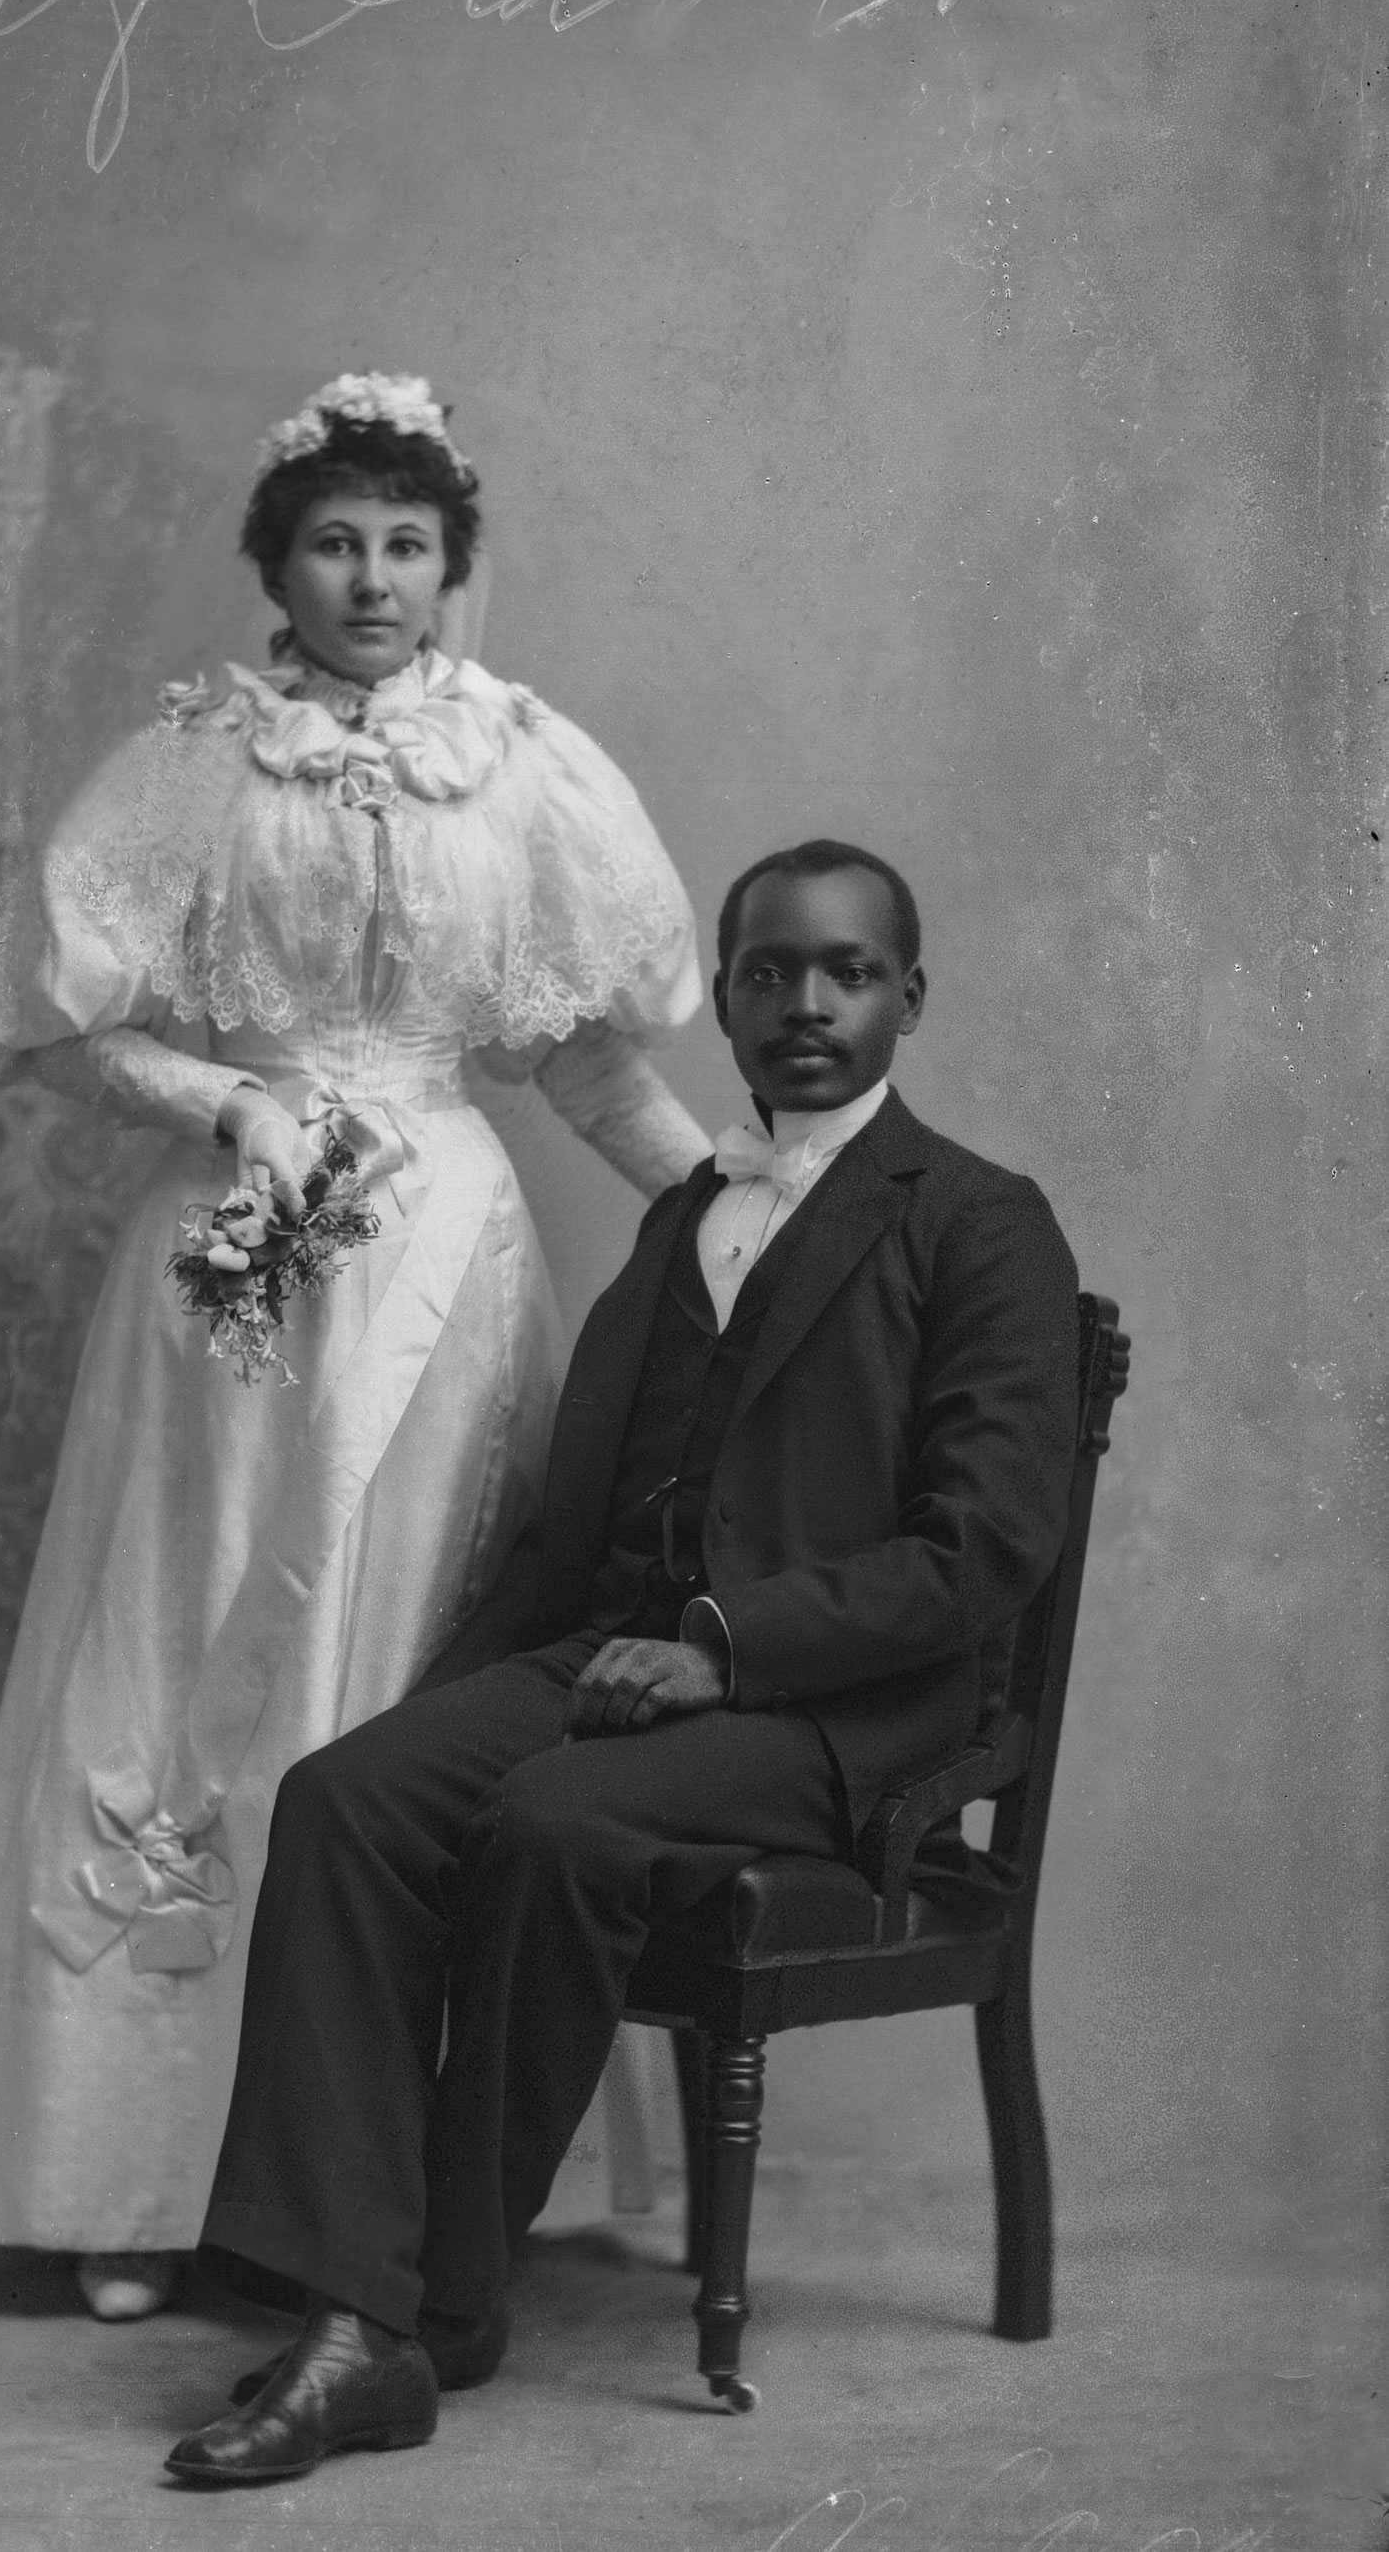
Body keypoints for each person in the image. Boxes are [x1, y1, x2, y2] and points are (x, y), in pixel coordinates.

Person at [0, 374, 712, 2319]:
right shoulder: (194, 761)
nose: (372, 577)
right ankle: (131, 2177)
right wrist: (231, 1106)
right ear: (277, 563)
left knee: (405, 1681)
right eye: (335, 541)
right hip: (228, 1296)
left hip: (441, 1264)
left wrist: (738, 1207)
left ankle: (381, 2183)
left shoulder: (516, 761)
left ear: (450, 565)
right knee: (186, 1666)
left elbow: (584, 1054)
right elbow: (73, 1022)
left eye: (406, 544)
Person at [164, 837, 1081, 2487]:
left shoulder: (981, 1224)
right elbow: (582, 1523)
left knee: (556, 1827)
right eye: (770, 972)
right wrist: (450, 1697)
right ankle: (352, 2309)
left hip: (837, 1712)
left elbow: (982, 1552)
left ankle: (432, 2307)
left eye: (849, 972)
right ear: (723, 998)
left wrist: (727, 1653)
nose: (807, 1003)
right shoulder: (688, 1217)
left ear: (911, 999)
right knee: (346, 1800)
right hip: (618, 1650)